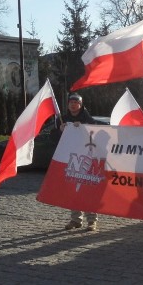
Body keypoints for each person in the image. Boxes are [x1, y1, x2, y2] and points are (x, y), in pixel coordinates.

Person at [62, 92, 100, 232]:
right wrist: (60, 130)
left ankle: (92, 221)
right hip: (71, 159)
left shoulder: (88, 119)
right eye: (71, 102)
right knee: (74, 189)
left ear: (80, 104)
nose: (73, 104)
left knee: (88, 189)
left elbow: (94, 134)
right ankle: (76, 219)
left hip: (86, 158)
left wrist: (83, 126)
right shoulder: (63, 119)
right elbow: (56, 138)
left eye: (75, 102)